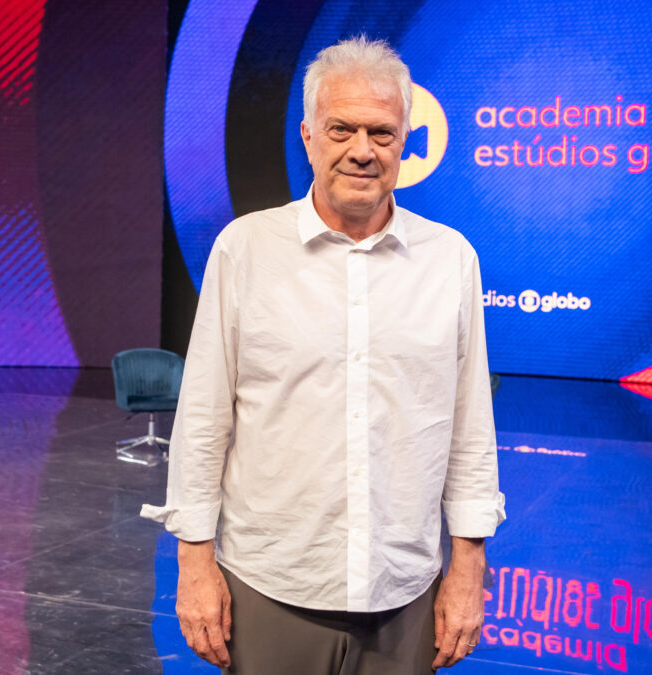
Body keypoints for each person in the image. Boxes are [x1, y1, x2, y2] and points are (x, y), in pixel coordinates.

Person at [142, 36, 505, 674]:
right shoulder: (245, 250)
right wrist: (193, 563)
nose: (362, 150)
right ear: (309, 136)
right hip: (270, 585)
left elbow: (469, 429)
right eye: (342, 129)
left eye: (382, 133)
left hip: (404, 591)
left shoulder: (450, 259)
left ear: (405, 142)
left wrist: (468, 568)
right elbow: (203, 420)